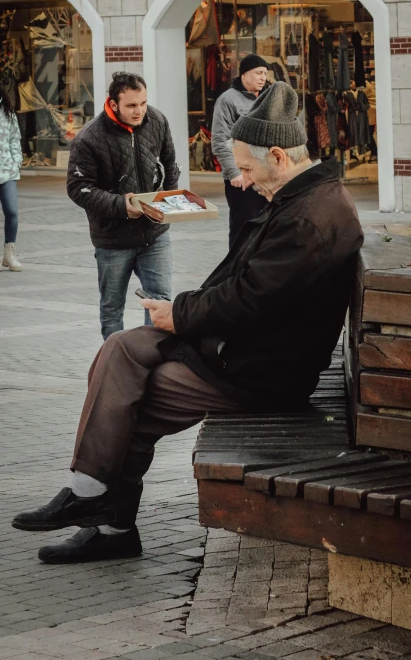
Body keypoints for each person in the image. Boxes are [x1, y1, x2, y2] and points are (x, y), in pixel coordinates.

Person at [13, 81, 364, 564]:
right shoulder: (304, 198)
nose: (242, 180)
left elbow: (249, 299)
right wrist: (178, 311)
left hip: (257, 371)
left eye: (246, 168)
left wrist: (179, 313)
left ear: (279, 156)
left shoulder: (307, 218)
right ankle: (90, 493)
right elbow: (249, 290)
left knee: (127, 403)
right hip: (242, 348)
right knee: (120, 348)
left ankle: (108, 520)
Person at [66, 72, 179, 339]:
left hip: (155, 234)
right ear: (113, 103)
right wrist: (120, 205)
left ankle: (152, 365)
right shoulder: (89, 138)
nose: (140, 111)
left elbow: (170, 165)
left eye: (142, 103)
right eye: (131, 105)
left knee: (160, 302)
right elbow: (78, 188)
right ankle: (114, 365)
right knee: (112, 309)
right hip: (112, 238)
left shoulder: (158, 120)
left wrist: (170, 200)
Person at [211, 54, 269, 247]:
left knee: (267, 230)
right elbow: (220, 140)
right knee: (242, 230)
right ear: (244, 74)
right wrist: (234, 173)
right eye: (258, 73)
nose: (263, 77)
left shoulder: (268, 98)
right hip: (242, 178)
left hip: (267, 176)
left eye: (265, 74)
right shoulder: (227, 100)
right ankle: (235, 273)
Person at [0, 75, 22, 272]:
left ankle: (9, 254)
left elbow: (15, 139)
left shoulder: (7, 112)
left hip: (6, 171)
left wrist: (16, 163)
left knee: (12, 211)